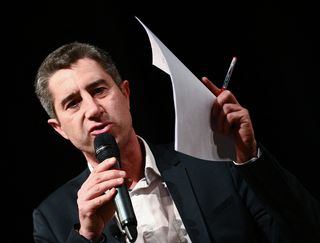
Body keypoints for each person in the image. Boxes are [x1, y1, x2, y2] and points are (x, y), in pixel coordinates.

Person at [32, 41, 320, 243]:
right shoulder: (52, 218)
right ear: (59, 129)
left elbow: (305, 231)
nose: (93, 109)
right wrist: (88, 236)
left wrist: (251, 159)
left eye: (99, 90)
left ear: (126, 94)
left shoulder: (213, 162)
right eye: (72, 103)